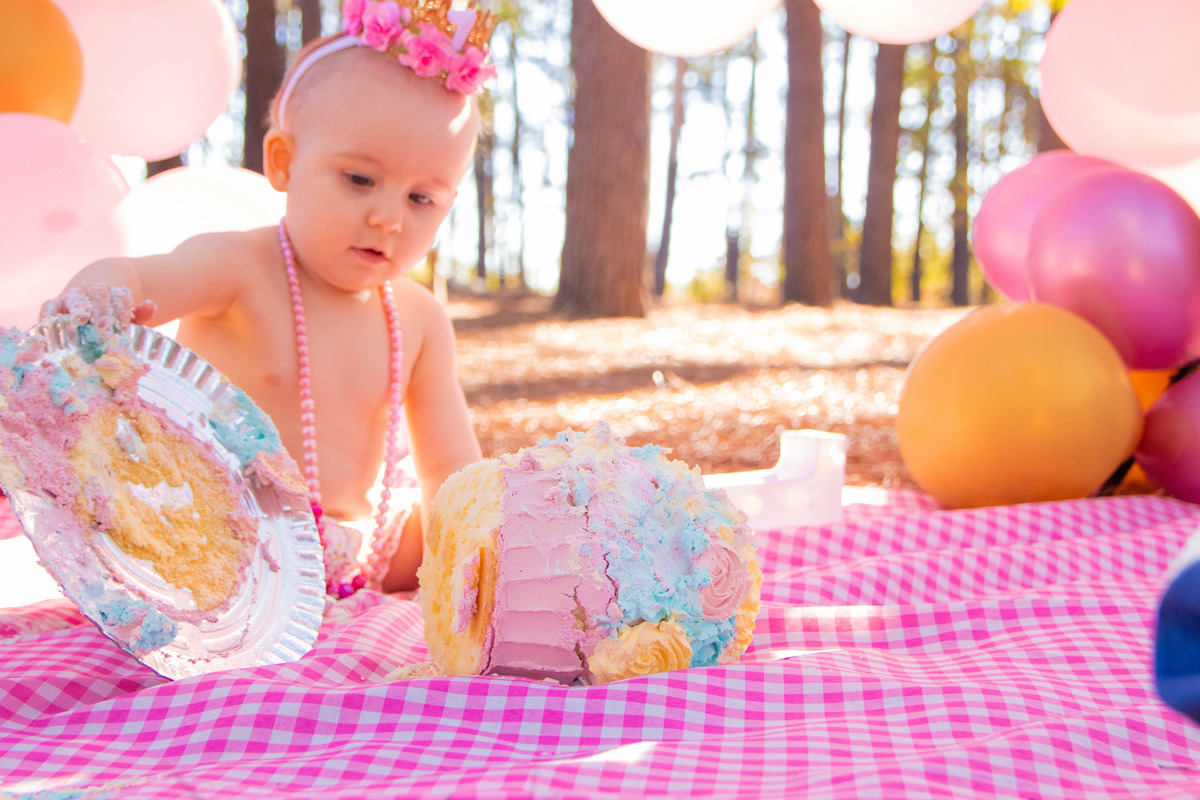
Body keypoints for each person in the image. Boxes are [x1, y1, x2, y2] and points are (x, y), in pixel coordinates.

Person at [46, 0, 498, 598]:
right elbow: (145, 275)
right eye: (360, 179)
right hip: (225, 532)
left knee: (477, 527)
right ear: (284, 162)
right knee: (158, 537)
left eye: (422, 199)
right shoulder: (240, 266)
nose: (388, 217)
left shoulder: (418, 320)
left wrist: (472, 543)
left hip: (364, 547)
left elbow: (450, 471)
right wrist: (102, 293)